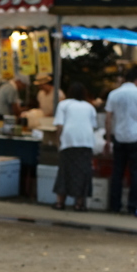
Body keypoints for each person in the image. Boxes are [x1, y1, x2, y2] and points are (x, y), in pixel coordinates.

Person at [105, 66, 137, 214]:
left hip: (119, 135)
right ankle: (133, 206)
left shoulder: (114, 94)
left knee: (117, 172)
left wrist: (108, 138)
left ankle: (115, 205)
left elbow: (108, 118)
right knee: (136, 172)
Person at [52, 82, 98, 211]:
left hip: (69, 140)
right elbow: (93, 126)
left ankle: (60, 202)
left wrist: (58, 141)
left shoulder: (64, 105)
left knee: (65, 171)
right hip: (86, 140)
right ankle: (79, 203)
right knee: (83, 172)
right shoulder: (89, 107)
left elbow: (59, 126)